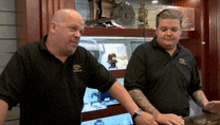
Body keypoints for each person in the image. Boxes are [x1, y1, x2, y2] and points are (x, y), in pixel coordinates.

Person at [0, 9, 158, 125]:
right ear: (54, 27)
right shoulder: (27, 56)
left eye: (81, 31)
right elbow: (3, 96)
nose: (78, 35)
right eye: (73, 29)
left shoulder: (82, 56)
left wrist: (136, 113)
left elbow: (111, 83)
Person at [124, 9, 220, 125]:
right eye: (164, 29)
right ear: (157, 30)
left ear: (181, 31)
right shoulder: (142, 53)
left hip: (181, 120)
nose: (168, 33)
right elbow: (133, 89)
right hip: (150, 122)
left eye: (174, 29)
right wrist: (157, 115)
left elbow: (194, 87)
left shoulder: (187, 55)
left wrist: (206, 104)